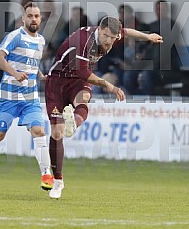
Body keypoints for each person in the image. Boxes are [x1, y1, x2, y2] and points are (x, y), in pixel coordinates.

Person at [45, 16, 163, 199]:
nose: (109, 41)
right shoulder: (83, 41)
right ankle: (58, 180)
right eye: (106, 36)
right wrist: (109, 86)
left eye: (113, 38)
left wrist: (148, 37)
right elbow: (83, 72)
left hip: (77, 82)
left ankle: (73, 123)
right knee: (57, 133)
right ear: (99, 29)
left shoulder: (113, 35)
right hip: (57, 82)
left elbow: (128, 33)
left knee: (82, 101)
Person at [0, 2, 54, 191]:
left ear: (40, 18)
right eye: (30, 16)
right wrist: (14, 73)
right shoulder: (15, 36)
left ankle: (46, 174)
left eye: (37, 16)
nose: (34, 19)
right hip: (8, 96)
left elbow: (31, 63)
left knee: (39, 131)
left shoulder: (41, 41)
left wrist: (40, 76)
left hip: (30, 98)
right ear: (23, 18)